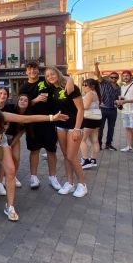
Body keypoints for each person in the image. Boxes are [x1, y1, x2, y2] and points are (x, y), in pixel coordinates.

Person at [18, 61, 74, 190]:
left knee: (51, 150)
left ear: (38, 70)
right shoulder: (24, 87)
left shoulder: (46, 80)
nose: (32, 71)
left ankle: (53, 177)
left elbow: (60, 77)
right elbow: (21, 105)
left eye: (35, 69)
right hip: (32, 123)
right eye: (30, 69)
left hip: (50, 121)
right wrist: (35, 100)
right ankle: (33, 177)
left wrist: (70, 79)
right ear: (26, 72)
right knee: (34, 150)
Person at [46, 67, 87, 197]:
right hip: (60, 126)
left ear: (58, 74)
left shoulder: (71, 87)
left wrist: (77, 129)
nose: (50, 77)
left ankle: (82, 184)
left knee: (71, 156)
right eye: (47, 76)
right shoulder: (52, 89)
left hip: (73, 126)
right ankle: (70, 183)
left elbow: (81, 109)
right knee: (65, 156)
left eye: (52, 74)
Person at [0, 92, 29, 195]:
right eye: (21, 99)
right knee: (4, 160)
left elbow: (21, 132)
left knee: (16, 157)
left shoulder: (28, 114)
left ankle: (11, 176)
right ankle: (0, 182)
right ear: (17, 100)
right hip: (3, 136)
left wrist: (12, 144)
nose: (23, 102)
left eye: (26, 100)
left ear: (28, 103)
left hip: (14, 137)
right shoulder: (10, 108)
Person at [115, 70, 133, 153]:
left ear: (131, 76)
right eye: (123, 76)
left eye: (127, 75)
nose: (125, 77)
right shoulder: (123, 87)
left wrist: (125, 101)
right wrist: (121, 99)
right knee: (127, 128)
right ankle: (129, 146)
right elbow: (125, 98)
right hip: (125, 110)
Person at [93, 62, 120, 150]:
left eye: (115, 77)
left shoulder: (118, 87)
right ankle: (99, 144)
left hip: (113, 110)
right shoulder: (104, 83)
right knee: (100, 128)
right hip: (103, 108)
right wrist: (96, 66)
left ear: (118, 78)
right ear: (109, 78)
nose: (114, 79)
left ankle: (108, 144)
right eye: (112, 77)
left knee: (111, 128)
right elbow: (98, 75)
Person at [80, 79, 101, 169]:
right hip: (96, 119)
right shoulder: (96, 93)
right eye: (83, 85)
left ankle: (85, 160)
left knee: (82, 140)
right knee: (94, 140)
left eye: (86, 85)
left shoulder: (89, 94)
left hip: (88, 119)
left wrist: (77, 105)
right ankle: (93, 160)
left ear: (92, 86)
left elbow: (86, 107)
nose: (84, 87)